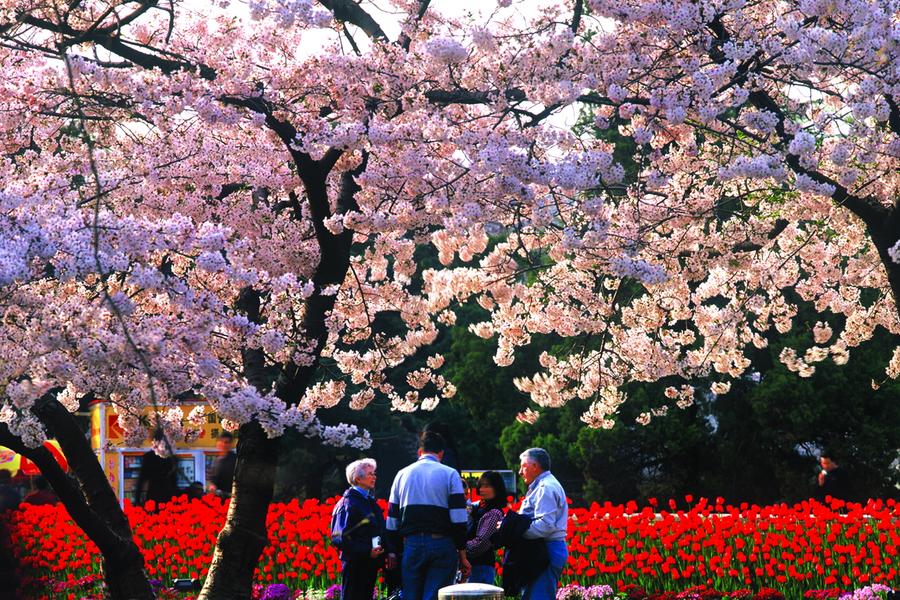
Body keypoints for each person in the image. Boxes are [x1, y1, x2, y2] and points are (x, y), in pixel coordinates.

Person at [386, 431, 471, 600]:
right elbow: (459, 518)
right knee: (435, 595)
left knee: (410, 595)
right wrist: (462, 554)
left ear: (420, 451)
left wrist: (393, 552)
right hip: (442, 543)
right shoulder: (450, 474)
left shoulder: (402, 474)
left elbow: (392, 520)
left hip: (411, 544)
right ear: (441, 453)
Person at [330, 458, 386, 600]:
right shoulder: (348, 503)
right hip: (355, 565)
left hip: (370, 564)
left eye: (374, 473)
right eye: (370, 474)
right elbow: (339, 538)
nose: (374, 477)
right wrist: (367, 551)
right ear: (357, 479)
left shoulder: (369, 501)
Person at [517, 448, 568, 600]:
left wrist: (515, 530)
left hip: (546, 550)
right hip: (543, 549)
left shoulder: (546, 487)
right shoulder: (542, 485)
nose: (520, 472)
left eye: (523, 466)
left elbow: (545, 525)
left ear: (535, 466)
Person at [466, 471, 507, 585]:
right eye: (481, 485)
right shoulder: (476, 507)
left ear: (496, 489)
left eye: (487, 486)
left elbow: (481, 543)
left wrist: (460, 550)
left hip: (481, 566)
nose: (482, 489)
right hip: (472, 565)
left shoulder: (494, 513)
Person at [208, 431, 237, 498]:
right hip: (218, 496)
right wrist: (212, 485)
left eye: (226, 442)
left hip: (230, 497)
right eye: (221, 441)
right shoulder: (216, 459)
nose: (223, 444)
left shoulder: (234, 459)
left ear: (231, 444)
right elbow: (213, 479)